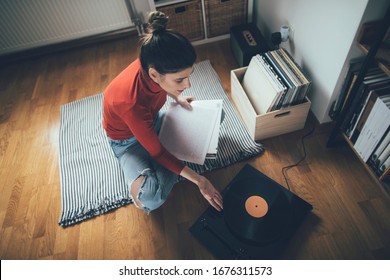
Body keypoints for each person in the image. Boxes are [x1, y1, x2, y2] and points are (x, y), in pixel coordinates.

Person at [102, 11, 223, 213]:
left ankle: (174, 156)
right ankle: (175, 156)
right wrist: (199, 179)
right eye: (179, 80)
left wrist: (178, 97)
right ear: (154, 75)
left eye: (188, 76)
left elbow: (164, 89)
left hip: (154, 122)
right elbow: (157, 151)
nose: (189, 84)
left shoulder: (153, 61)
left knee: (218, 115)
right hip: (128, 143)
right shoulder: (131, 103)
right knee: (151, 197)